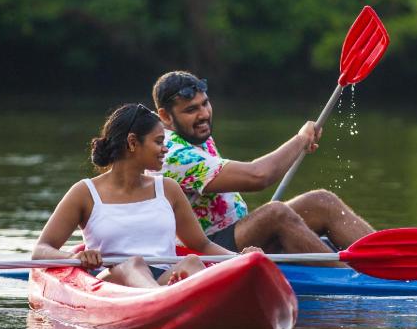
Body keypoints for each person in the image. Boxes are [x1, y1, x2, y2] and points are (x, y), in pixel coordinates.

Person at [152, 71, 417, 267]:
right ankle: (352, 277)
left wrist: (298, 145)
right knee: (275, 213)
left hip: (235, 235)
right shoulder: (173, 154)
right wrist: (299, 141)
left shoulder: (195, 133)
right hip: (207, 252)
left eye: (205, 104)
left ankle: (395, 263)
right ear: (165, 116)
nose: (203, 114)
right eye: (191, 110)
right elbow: (259, 177)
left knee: (320, 200)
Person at [33, 103, 260, 287]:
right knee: (133, 264)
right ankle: (162, 299)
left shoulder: (169, 189)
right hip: (112, 282)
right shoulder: (84, 192)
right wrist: (74, 258)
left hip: (162, 279)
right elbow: (41, 250)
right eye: (159, 142)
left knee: (191, 262)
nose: (165, 149)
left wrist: (241, 259)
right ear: (133, 142)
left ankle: (177, 299)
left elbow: (202, 245)